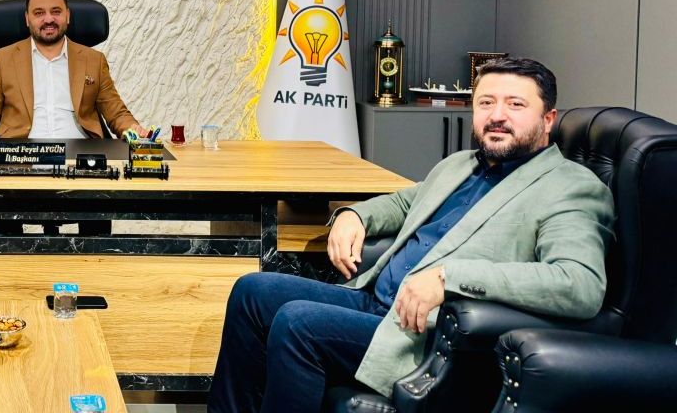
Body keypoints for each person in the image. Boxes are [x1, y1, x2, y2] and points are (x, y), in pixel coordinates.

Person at [207, 57, 615, 413]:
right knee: (253, 291)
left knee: (298, 323)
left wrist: (448, 278)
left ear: (548, 119)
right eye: (486, 102)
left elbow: (578, 283)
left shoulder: (569, 186)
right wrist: (355, 216)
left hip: (428, 334)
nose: (497, 115)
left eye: (515, 104)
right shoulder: (462, 164)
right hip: (375, 300)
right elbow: (406, 203)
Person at [0, 0, 148, 140]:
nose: (48, 19)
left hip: (79, 152)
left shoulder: (94, 60)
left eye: (56, 11)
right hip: (22, 153)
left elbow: (116, 112)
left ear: (67, 15)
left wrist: (132, 129)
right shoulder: (4, 58)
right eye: (39, 13)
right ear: (27, 19)